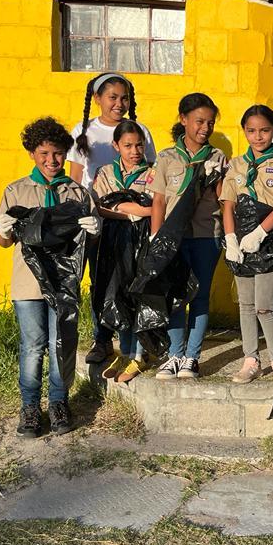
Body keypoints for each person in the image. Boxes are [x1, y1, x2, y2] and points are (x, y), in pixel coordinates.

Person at [0, 117, 99, 438]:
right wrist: (4, 230)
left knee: (60, 343)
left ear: (66, 154)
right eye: (44, 154)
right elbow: (3, 241)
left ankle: (58, 402)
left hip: (64, 284)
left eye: (58, 153)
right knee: (32, 345)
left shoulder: (77, 193)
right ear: (32, 154)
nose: (52, 160)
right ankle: (29, 407)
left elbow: (90, 241)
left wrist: (95, 229)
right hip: (28, 283)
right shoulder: (16, 191)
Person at [67, 72, 156, 367]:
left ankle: (138, 343)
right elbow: (76, 180)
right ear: (97, 99)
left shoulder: (139, 131)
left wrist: (140, 211)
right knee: (101, 280)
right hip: (98, 219)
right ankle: (102, 339)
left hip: (135, 225)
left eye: (124, 98)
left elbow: (151, 174)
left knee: (132, 280)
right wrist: (80, 215)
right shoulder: (85, 131)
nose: (119, 103)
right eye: (112, 97)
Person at [150, 93, 228, 380]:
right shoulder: (166, 158)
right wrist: (155, 236)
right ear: (183, 119)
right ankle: (174, 354)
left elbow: (224, 199)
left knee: (200, 295)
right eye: (199, 121)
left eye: (210, 123)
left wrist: (215, 178)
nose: (205, 128)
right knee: (175, 295)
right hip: (174, 237)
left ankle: (192, 357)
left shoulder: (217, 157)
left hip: (207, 234)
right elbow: (159, 200)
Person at [221, 106, 273, 385]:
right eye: (251, 131)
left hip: (268, 239)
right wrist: (231, 238)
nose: (258, 136)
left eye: (264, 130)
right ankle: (250, 359)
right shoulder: (236, 165)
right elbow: (228, 204)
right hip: (241, 240)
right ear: (244, 131)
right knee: (246, 304)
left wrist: (260, 233)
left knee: (264, 306)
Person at [91, 120, 154, 383]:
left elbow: (155, 207)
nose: (134, 151)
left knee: (138, 295)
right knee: (118, 295)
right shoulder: (105, 172)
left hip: (141, 241)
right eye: (128, 146)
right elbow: (99, 205)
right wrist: (129, 210)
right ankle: (125, 351)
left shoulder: (152, 172)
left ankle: (139, 354)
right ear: (116, 146)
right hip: (112, 241)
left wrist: (121, 206)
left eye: (139, 145)